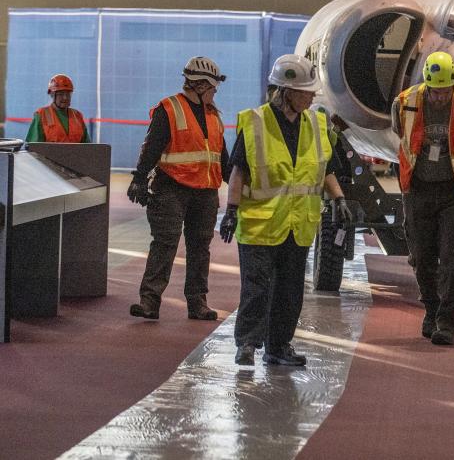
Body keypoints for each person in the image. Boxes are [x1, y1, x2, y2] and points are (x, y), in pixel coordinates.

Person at [220, 54, 352, 367]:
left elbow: (327, 169)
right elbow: (238, 171)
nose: (311, 96)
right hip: (259, 224)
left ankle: (278, 347)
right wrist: (231, 209)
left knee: (290, 291)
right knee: (257, 288)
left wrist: (339, 199)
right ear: (285, 92)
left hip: (298, 224)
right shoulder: (254, 123)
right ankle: (248, 344)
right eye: (306, 91)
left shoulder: (316, 125)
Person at [390, 51, 454, 346]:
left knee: (453, 258)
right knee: (421, 256)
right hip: (418, 189)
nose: (441, 96)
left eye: (446, 91)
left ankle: (447, 322)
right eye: (436, 91)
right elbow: (399, 134)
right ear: (426, 85)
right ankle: (431, 310)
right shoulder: (405, 103)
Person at [127, 56, 230, 320]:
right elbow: (151, 146)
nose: (215, 91)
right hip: (171, 188)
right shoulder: (169, 108)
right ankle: (149, 302)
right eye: (213, 87)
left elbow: (223, 157)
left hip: (205, 191)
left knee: (200, 247)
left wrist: (243, 188)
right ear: (200, 86)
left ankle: (198, 303)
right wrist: (139, 177)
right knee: (165, 243)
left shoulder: (214, 116)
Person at [26, 74, 90, 143]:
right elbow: (34, 148)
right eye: (61, 94)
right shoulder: (42, 115)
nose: (65, 97)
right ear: (52, 95)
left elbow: (87, 147)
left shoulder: (77, 116)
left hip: (76, 154)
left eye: (68, 94)